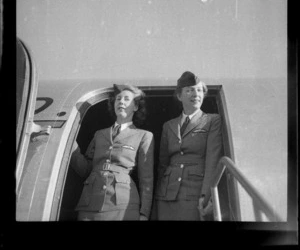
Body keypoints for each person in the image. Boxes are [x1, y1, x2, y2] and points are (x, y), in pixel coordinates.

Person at [70, 84, 154, 221]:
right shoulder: (99, 134)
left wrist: (144, 213)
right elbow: (86, 170)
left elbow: (147, 179)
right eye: (118, 99)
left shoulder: (143, 135)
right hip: (90, 203)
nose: (121, 101)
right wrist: (71, 146)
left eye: (127, 99)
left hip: (122, 206)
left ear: (136, 106)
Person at [154, 71, 223, 220]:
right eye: (189, 90)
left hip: (194, 194)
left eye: (199, 90)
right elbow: (163, 165)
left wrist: (206, 196)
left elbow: (212, 161)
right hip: (166, 195)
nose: (195, 94)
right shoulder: (168, 126)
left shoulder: (212, 120)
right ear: (179, 96)